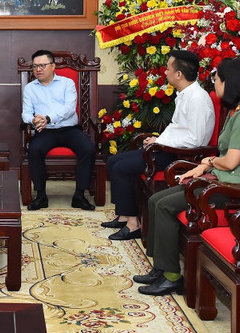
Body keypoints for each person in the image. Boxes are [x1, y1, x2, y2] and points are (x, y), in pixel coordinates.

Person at [136, 57, 240, 296]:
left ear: (230, 83)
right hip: (221, 180)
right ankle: (160, 268)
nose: (214, 86)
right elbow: (224, 159)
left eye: (217, 80)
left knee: (165, 205)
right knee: (157, 200)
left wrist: (208, 162)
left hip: (234, 189)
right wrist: (206, 166)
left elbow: (229, 162)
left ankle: (172, 277)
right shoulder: (237, 112)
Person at [103, 50, 215, 240]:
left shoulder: (197, 99)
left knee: (123, 167)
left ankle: (133, 225)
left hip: (181, 156)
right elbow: (177, 128)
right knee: (113, 161)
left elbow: (194, 140)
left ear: (179, 74)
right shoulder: (185, 94)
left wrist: (160, 142)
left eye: (168, 68)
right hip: (168, 148)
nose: (165, 72)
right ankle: (123, 216)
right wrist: (157, 139)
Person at [21, 49, 96, 211]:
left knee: (88, 148)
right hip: (45, 131)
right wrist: (33, 120)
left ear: (53, 66)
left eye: (42, 65)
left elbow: (69, 109)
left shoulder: (67, 83)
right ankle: (41, 196)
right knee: (34, 149)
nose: (38, 69)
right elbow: (26, 113)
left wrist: (48, 118)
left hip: (69, 129)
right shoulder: (30, 88)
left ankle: (80, 195)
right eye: (35, 67)